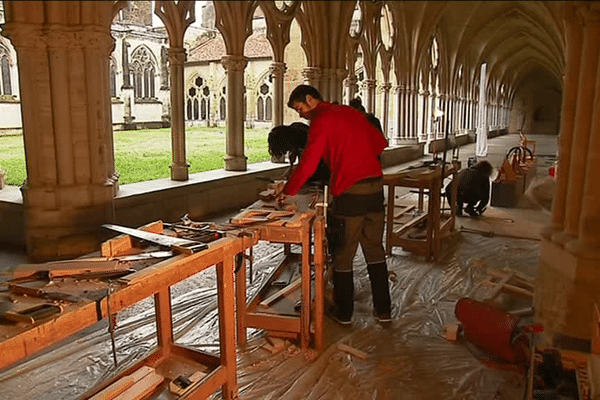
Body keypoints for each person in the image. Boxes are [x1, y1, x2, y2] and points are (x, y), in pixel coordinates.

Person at [279, 84, 392, 325]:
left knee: (343, 254)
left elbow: (308, 164)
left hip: (350, 194)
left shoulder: (321, 120)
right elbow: (379, 143)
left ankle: (344, 313)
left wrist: (287, 192)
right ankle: (384, 311)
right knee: (374, 250)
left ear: (310, 100)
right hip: (375, 189)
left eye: (300, 108)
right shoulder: (350, 112)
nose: (301, 115)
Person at [267, 122, 330, 186]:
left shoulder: (305, 137)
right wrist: (290, 169)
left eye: (284, 150)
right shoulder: (293, 131)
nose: (286, 152)